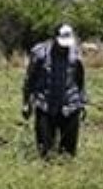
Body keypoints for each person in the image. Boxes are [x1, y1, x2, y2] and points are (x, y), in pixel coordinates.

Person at [21, 23, 88, 159]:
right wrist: (26, 102)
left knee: (68, 154)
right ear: (54, 39)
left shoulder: (75, 54)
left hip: (70, 105)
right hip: (45, 105)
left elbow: (80, 79)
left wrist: (82, 102)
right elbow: (30, 79)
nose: (64, 48)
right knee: (45, 152)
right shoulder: (40, 53)